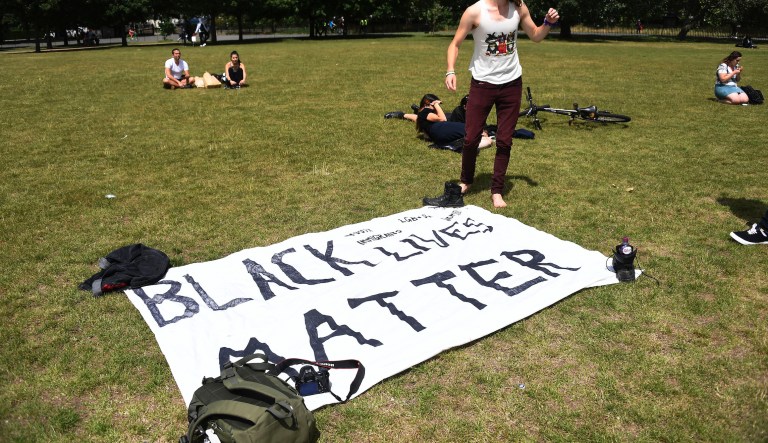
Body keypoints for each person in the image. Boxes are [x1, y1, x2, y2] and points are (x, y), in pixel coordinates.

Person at [426, 0, 559, 208]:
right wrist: (450, 70)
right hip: (482, 84)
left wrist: (548, 23)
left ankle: (497, 191)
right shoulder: (475, 12)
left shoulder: (519, 7)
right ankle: (466, 181)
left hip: (512, 84)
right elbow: (455, 44)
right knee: (470, 138)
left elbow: (536, 35)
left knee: (505, 140)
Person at [414, 94, 493, 148]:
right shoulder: (424, 111)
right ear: (427, 104)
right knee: (479, 133)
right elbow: (443, 119)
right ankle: (463, 146)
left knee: (488, 141)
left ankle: (465, 145)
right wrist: (436, 104)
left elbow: (415, 117)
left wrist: (403, 115)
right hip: (442, 129)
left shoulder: (424, 115)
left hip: (443, 131)